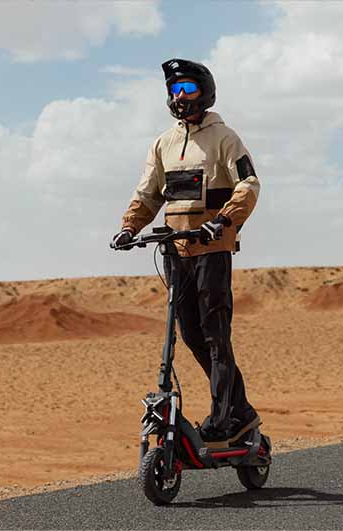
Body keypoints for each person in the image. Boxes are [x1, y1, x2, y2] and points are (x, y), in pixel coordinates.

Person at [111, 58, 261, 443]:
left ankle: (225, 418)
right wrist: (129, 227)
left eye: (187, 89)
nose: (180, 97)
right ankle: (241, 409)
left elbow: (248, 184)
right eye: (174, 90)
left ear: (205, 92)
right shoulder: (163, 143)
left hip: (212, 248)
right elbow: (148, 193)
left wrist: (224, 220)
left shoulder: (224, 138)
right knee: (191, 335)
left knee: (215, 335)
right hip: (176, 252)